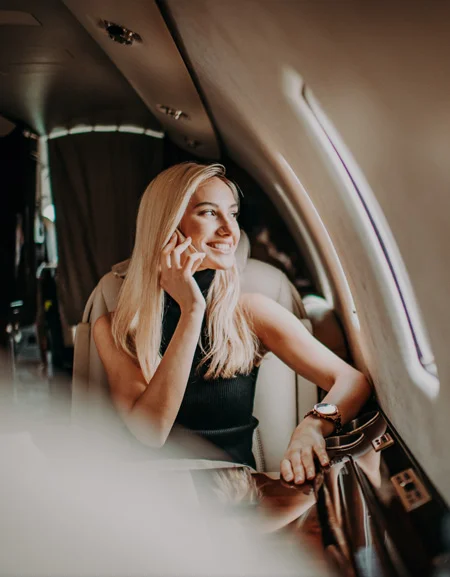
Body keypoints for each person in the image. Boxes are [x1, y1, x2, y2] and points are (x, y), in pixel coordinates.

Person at [93, 162, 372, 483]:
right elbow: (152, 432)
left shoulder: (249, 312)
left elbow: (351, 381)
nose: (230, 229)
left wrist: (313, 425)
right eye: (210, 213)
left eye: (234, 214)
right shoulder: (117, 327)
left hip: (237, 495)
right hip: (154, 498)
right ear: (167, 225)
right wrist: (192, 310)